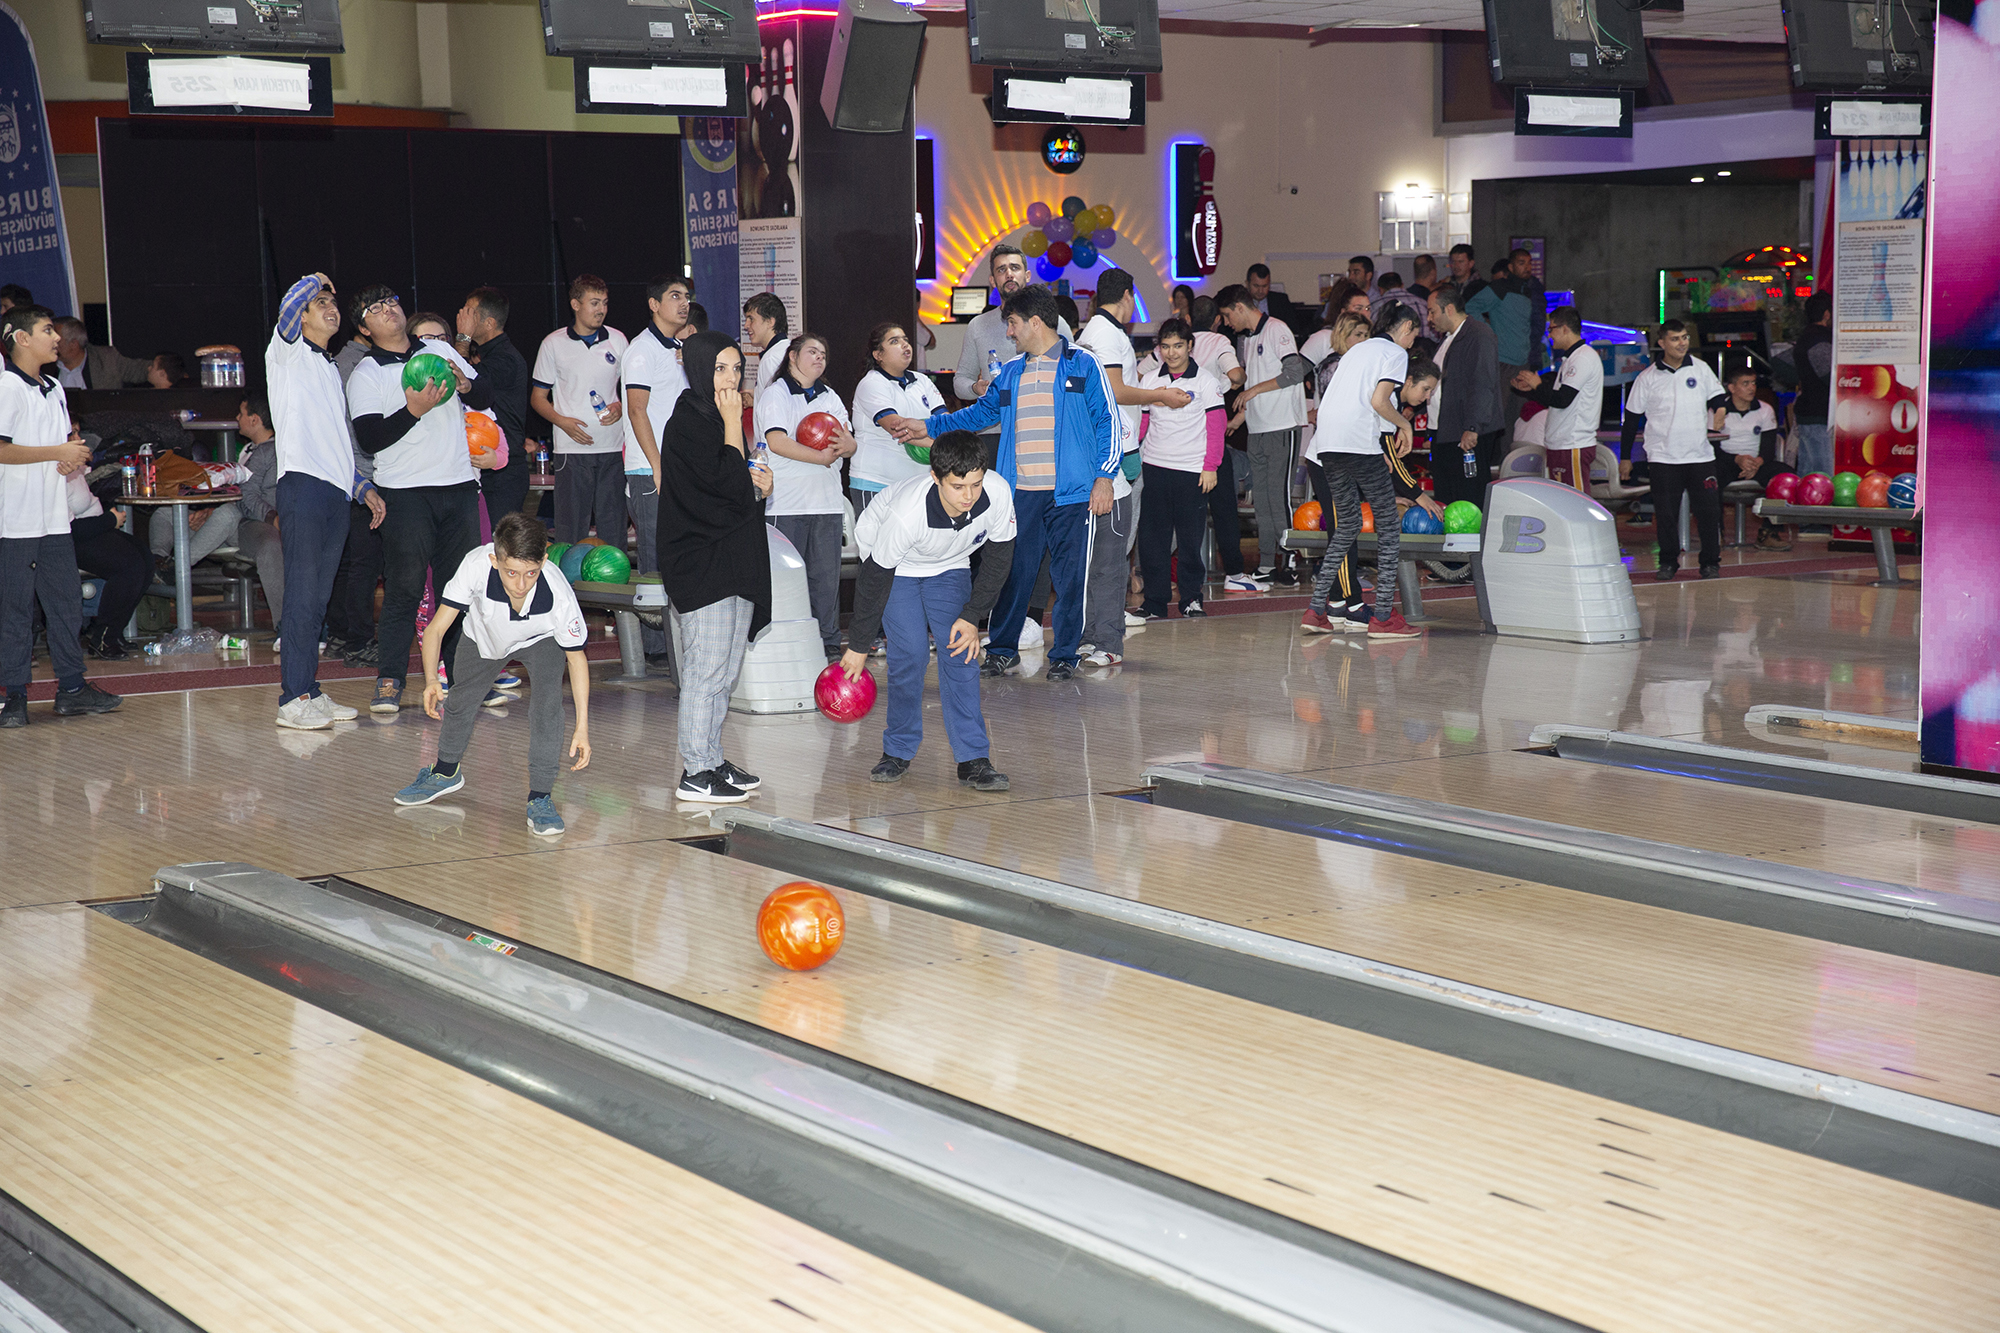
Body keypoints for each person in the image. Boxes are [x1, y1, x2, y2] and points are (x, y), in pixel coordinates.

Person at [886, 284, 1117, 683]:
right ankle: (1002, 650)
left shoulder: (1083, 364)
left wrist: (1104, 478)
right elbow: (977, 416)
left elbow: (1108, 421)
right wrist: (927, 426)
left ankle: (1065, 654)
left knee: (1069, 578)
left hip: (1072, 494)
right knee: (1012, 573)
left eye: (1012, 323)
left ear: (1034, 322)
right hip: (1019, 494)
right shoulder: (1010, 373)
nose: (1008, 332)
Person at [391, 513, 591, 836]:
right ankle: (445, 772)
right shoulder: (474, 566)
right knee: (459, 702)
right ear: (495, 560)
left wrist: (582, 727)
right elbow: (436, 629)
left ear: (543, 561)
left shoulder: (558, 592)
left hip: (541, 641)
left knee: (547, 709)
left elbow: (577, 659)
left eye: (531, 573)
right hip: (483, 639)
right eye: (512, 572)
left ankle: (540, 797)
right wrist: (430, 680)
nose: (521, 584)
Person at [838, 431, 1013, 791]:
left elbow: (999, 560)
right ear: (936, 477)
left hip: (949, 563)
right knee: (910, 653)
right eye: (958, 487)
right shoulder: (906, 514)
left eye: (975, 484)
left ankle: (973, 759)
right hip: (895, 566)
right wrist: (858, 646)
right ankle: (896, 751)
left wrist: (971, 617)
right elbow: (874, 580)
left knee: (962, 652)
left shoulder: (997, 493)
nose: (969, 496)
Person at [347, 284, 494, 713]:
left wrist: (465, 383)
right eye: (375, 308)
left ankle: (462, 680)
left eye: (390, 301)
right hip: (405, 493)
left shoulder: (438, 350)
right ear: (364, 328)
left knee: (458, 592)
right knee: (404, 588)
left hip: (459, 488)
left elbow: (485, 397)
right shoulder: (366, 373)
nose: (387, 310)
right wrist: (413, 411)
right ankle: (390, 680)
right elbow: (370, 438)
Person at [658, 330, 773, 804]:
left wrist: (759, 486)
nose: (730, 378)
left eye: (736, 368)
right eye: (720, 368)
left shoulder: (715, 418)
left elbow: (739, 491)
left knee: (725, 674)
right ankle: (694, 771)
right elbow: (726, 488)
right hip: (701, 563)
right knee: (705, 673)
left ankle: (711, 757)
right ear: (700, 369)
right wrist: (732, 425)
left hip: (732, 560)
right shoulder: (689, 421)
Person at [0, 304, 122, 727]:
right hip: (13, 521)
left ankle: (71, 688)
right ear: (21, 338)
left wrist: (70, 458)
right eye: (48, 330)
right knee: (15, 609)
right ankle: (14, 697)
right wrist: (58, 451)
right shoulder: (7, 387)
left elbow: (59, 448)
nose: (57, 338)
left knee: (66, 604)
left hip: (54, 518)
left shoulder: (53, 388)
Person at [1300, 306, 1431, 640]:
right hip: (1355, 443)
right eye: (1415, 334)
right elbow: (1378, 401)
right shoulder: (1394, 352)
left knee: (1347, 525)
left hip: (1327, 445)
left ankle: (1316, 611)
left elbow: (1354, 402)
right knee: (1388, 526)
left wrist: (1381, 443)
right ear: (1406, 327)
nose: (1413, 341)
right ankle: (1383, 617)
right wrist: (1405, 425)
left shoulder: (1358, 349)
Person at [1077, 268, 1187, 663]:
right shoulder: (1107, 334)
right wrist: (1159, 396)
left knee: (1101, 554)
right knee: (1111, 552)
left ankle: (1096, 633)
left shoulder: (1092, 332)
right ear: (1128, 295)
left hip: (1102, 448)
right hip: (1116, 453)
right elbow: (1115, 390)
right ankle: (1105, 639)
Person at [756, 332, 858, 660]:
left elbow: (848, 442)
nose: (819, 358)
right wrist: (822, 457)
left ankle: (828, 646)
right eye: (812, 352)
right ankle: (784, 647)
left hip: (827, 502)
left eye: (823, 354)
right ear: (792, 356)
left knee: (826, 583)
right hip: (786, 504)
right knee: (787, 582)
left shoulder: (830, 396)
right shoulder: (776, 393)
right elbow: (777, 442)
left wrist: (848, 446)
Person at [619, 275, 695, 666]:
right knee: (654, 555)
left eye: (686, 297)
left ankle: (679, 639)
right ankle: (655, 648)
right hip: (650, 469)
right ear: (653, 304)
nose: (683, 303)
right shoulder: (641, 351)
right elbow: (637, 411)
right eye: (674, 296)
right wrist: (657, 465)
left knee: (681, 554)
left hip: (680, 467)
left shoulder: (680, 349)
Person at [1133, 318, 1227, 628]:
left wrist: (1210, 466)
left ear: (1189, 346)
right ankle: (1154, 602)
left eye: (1178, 346)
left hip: (1192, 471)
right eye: (1165, 346)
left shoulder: (1206, 382)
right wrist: (1129, 452)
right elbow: (1143, 423)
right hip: (1154, 467)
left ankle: (1191, 599)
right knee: (1152, 540)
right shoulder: (1149, 381)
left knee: (1189, 540)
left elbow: (1217, 427)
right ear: (1158, 349)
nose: (1172, 353)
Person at [1622, 319, 1727, 581]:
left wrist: (1721, 409)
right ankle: (1668, 562)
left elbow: (1717, 396)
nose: (1682, 343)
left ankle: (1710, 563)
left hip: (1700, 456)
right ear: (1662, 343)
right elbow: (1631, 419)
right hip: (1663, 457)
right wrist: (1625, 457)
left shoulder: (1700, 368)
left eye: (1684, 337)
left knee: (1708, 513)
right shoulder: (1647, 378)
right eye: (1675, 338)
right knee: (1666, 515)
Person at [1218, 283, 1307, 585]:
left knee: (1279, 498)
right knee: (1263, 501)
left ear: (1240, 307)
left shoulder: (1276, 329)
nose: (1227, 322)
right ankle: (1268, 562)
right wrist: (1240, 418)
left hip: (1282, 426)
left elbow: (1294, 372)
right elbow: (1257, 386)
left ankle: (1290, 559)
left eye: (1228, 315)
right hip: (1257, 428)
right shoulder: (1248, 339)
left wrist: (1253, 390)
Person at [953, 245, 1072, 468]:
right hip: (993, 431)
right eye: (1001, 269)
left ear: (1027, 275)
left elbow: (1072, 376)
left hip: (1043, 430)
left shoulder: (1054, 322)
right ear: (992, 280)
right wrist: (975, 388)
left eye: (1015, 268)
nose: (1009, 274)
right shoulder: (978, 326)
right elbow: (960, 381)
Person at [533, 274, 628, 546]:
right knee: (570, 530)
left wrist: (620, 406)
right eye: (594, 303)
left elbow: (632, 392)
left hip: (613, 448)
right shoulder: (553, 343)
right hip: (571, 451)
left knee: (614, 530)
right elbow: (538, 398)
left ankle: (614, 575)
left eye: (605, 303)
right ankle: (567, 575)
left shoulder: (618, 340)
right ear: (575, 304)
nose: (601, 309)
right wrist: (562, 422)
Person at [1187, 295, 1256, 592]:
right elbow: (1237, 374)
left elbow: (1143, 373)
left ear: (1188, 319)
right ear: (1217, 320)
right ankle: (1235, 573)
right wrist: (1228, 385)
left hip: (1180, 439)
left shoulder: (1177, 343)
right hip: (1210, 435)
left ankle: (1187, 576)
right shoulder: (1219, 342)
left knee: (1186, 511)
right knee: (1224, 508)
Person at [850, 321, 946, 517]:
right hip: (877, 484)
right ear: (878, 355)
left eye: (906, 340)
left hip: (918, 484)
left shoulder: (922, 381)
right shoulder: (872, 383)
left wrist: (947, 440)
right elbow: (898, 429)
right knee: (877, 539)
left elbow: (945, 423)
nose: (905, 345)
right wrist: (943, 446)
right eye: (894, 341)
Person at [456, 287, 531, 527]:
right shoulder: (490, 356)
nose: (463, 316)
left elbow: (461, 379)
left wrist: (463, 337)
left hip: (502, 472)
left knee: (499, 543)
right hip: (483, 468)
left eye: (470, 313)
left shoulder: (506, 360)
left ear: (489, 323)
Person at [1510, 306, 1602, 494]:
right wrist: (1533, 390)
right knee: (1563, 501)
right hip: (1561, 444)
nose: (1549, 335)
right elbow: (1554, 400)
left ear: (1565, 328)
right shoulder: (1572, 358)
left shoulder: (1583, 358)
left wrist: (1537, 385)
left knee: (1576, 502)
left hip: (1573, 443)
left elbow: (1562, 400)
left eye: (1551, 329)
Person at [66, 464, 150, 661]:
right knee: (129, 566)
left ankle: (115, 630)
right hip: (70, 539)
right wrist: (110, 520)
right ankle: (103, 637)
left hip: (94, 529)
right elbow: (69, 529)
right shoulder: (56, 472)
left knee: (145, 558)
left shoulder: (75, 467)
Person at [1714, 364, 1795, 551]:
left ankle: (1769, 532)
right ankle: (1715, 531)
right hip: (1727, 461)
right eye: (1745, 384)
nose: (1752, 388)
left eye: (1753, 383)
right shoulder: (1717, 410)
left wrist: (1757, 463)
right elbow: (1712, 448)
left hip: (1756, 463)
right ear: (1732, 388)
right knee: (1708, 478)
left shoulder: (1765, 409)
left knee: (1784, 477)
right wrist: (1737, 459)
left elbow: (1768, 447)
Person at [227, 393, 289, 635]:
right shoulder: (250, 450)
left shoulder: (268, 451)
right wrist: (273, 517)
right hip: (251, 521)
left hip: (264, 520)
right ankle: (286, 626)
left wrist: (276, 517)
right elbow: (246, 494)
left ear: (255, 419)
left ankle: (301, 626)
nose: (237, 418)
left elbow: (247, 493)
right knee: (270, 544)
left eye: (241, 413)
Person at [1467, 248, 1547, 416]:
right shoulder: (1500, 288)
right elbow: (1471, 307)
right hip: (1502, 362)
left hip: (1523, 362)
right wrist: (1489, 332)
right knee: (1499, 416)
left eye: (1529, 263)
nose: (1527, 267)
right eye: (1521, 263)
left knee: (1519, 416)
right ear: (1511, 267)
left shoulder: (1528, 291)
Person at [1791, 291, 1833, 478]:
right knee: (1822, 476)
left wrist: (1802, 378)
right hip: (1819, 413)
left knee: (1807, 476)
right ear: (1827, 314)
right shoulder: (1820, 340)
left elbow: (1781, 362)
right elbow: (1829, 377)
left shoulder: (1804, 337)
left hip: (1807, 411)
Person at [52, 318, 149, 391]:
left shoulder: (107, 359)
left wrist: (156, 368)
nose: (51, 343)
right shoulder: (46, 366)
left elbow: (140, 370)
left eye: (56, 340)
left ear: (73, 344)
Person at [743, 291, 790, 396]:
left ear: (770, 322)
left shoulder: (771, 359)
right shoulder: (788, 349)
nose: (746, 325)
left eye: (751, 319)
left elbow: (774, 402)